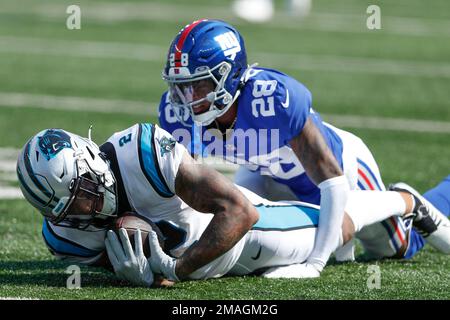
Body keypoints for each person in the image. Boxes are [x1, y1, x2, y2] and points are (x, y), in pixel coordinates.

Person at [158, 19, 449, 274]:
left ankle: (407, 201)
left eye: (197, 85)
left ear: (228, 76)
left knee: (397, 247)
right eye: (180, 86)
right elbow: (188, 190)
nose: (186, 98)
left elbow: (333, 180)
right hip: (269, 174)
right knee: (249, 233)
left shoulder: (270, 99)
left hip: (340, 173)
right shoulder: (178, 115)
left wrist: (317, 262)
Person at [16, 124, 450, 286]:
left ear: (92, 163)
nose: (85, 212)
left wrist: (176, 269)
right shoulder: (64, 234)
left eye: (85, 194)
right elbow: (130, 261)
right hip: (210, 255)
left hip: (245, 238)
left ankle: (403, 198)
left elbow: (240, 212)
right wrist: (136, 274)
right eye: (69, 209)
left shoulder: (142, 152)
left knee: (338, 231)